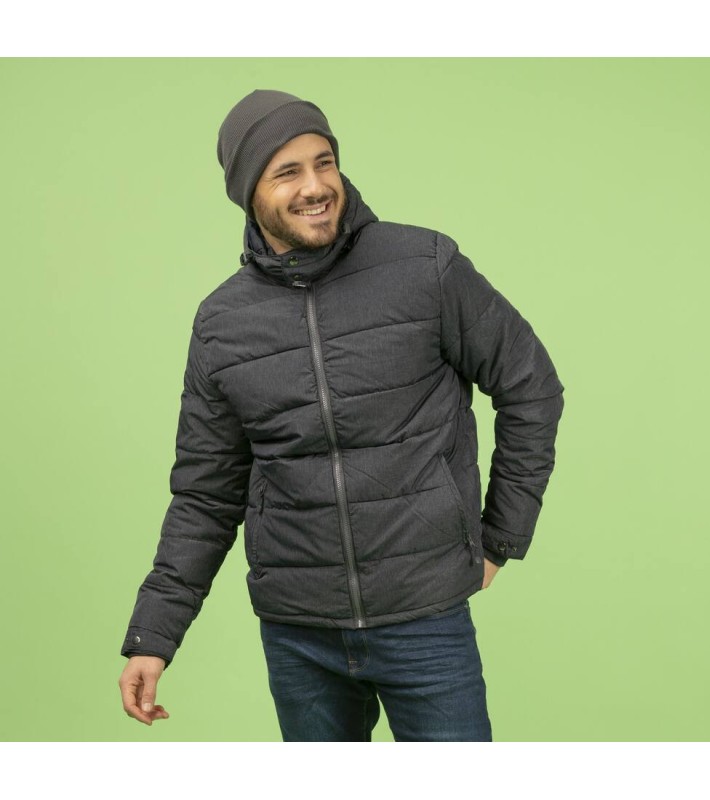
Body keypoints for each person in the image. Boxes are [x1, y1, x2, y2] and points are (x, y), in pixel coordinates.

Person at [118, 89, 565, 741]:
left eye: (323, 162)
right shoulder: (222, 325)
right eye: (287, 172)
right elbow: (205, 495)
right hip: (299, 637)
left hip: (425, 620)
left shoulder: (423, 268)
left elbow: (532, 386)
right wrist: (154, 636)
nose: (315, 186)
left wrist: (500, 537)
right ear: (247, 193)